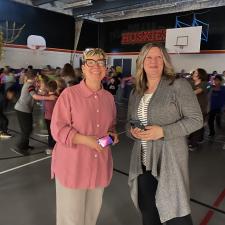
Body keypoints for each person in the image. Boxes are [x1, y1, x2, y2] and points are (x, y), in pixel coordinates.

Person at [126, 43, 203, 225]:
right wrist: (132, 132)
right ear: (142, 62)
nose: (154, 62)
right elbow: (129, 122)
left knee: (178, 216)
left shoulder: (178, 85)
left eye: (159, 57)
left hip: (170, 163)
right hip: (144, 164)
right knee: (149, 215)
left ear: (165, 61)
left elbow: (196, 119)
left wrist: (163, 131)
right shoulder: (136, 91)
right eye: (149, 57)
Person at [50, 48, 119, 225]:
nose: (96, 66)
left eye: (101, 62)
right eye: (91, 62)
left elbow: (110, 126)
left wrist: (112, 135)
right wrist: (85, 139)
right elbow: (57, 128)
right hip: (73, 167)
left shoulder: (109, 98)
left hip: (98, 166)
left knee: (90, 218)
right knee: (71, 220)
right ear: (83, 67)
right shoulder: (69, 94)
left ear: (106, 67)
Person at [12, 71, 57, 156]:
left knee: (27, 129)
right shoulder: (29, 85)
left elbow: (36, 93)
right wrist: (49, 97)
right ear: (34, 77)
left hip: (24, 110)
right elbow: (35, 96)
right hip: (23, 110)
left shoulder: (29, 85)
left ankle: (25, 145)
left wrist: (43, 94)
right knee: (27, 130)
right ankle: (20, 147)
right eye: (36, 77)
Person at [188, 68, 209, 150]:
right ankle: (194, 139)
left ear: (200, 75)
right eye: (193, 73)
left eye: (195, 73)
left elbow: (196, 92)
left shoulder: (205, 84)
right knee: (193, 125)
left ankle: (193, 143)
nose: (193, 74)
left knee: (197, 126)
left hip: (200, 109)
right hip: (190, 109)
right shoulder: (191, 83)